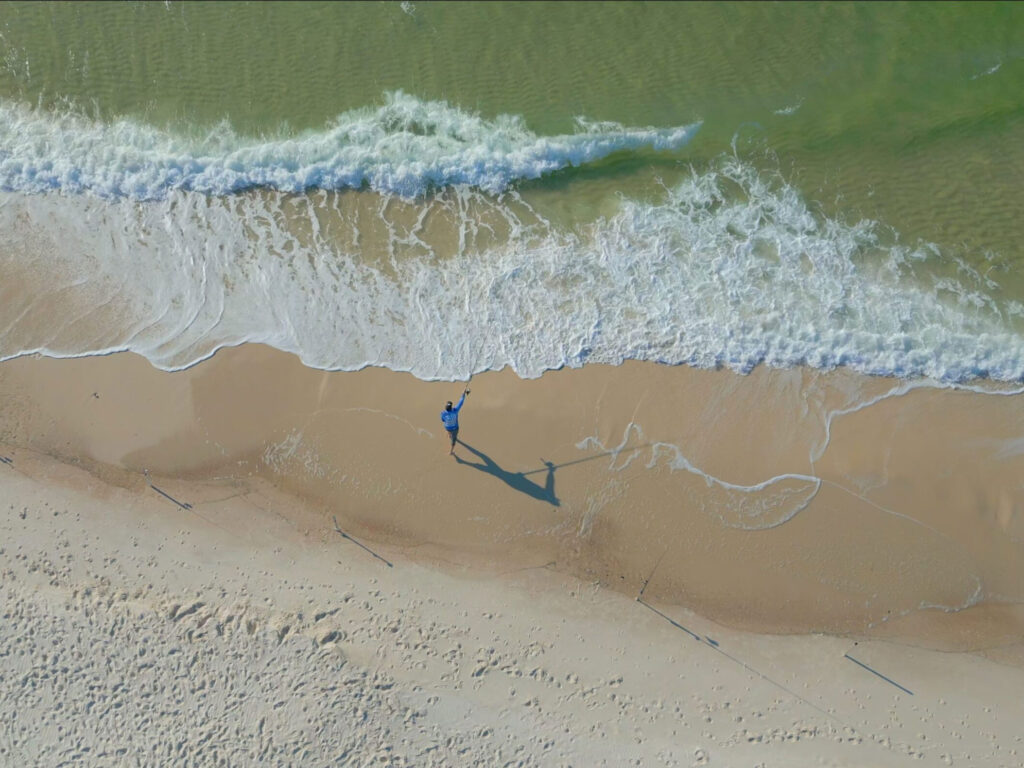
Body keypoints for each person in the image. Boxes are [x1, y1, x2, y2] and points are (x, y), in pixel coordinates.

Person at [440, 387, 470, 455]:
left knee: (448, 430)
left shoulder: (442, 413)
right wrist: (463, 394)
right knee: (454, 440)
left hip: (447, 427)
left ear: (445, 408)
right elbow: (461, 402)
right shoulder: (455, 411)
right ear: (451, 407)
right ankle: (451, 451)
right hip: (455, 428)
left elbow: (443, 420)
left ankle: (449, 434)